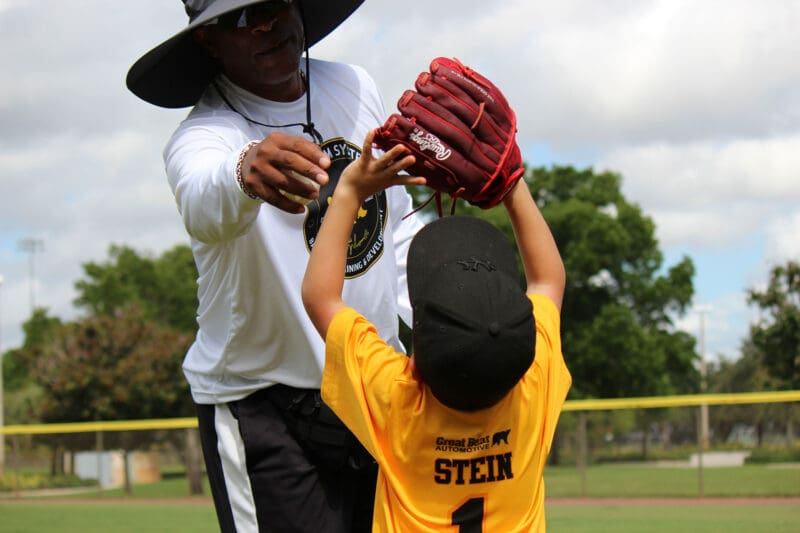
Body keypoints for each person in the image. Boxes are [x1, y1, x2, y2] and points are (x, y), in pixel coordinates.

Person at [126, 1, 425, 532]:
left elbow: (396, 226)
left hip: (376, 392)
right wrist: (245, 171)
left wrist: (438, 325)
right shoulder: (203, 137)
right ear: (207, 41)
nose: (265, 24)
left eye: (273, 4)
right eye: (242, 17)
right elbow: (204, 204)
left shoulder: (354, 86)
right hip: (265, 410)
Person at [302, 130, 571, 532]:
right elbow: (549, 281)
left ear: (420, 353)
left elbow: (319, 296)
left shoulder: (398, 398)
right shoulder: (532, 391)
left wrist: (349, 192)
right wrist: (511, 183)